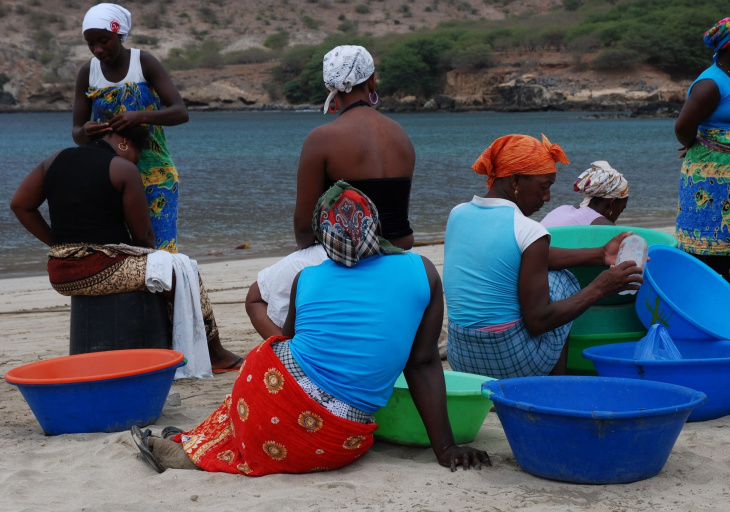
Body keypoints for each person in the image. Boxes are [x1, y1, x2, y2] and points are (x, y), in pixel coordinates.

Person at [131, 182, 490, 475]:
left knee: (265, 362)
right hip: (338, 442)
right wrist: (445, 447)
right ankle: (194, 441)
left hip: (270, 407)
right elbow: (423, 362)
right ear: (376, 225)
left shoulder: (308, 277)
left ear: (323, 237)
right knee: (274, 380)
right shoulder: (423, 271)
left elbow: (284, 346)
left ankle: (195, 446)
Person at [9, 126, 242, 375]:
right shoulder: (122, 168)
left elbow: (20, 205)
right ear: (125, 142)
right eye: (138, 155)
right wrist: (153, 259)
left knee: (164, 273)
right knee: (181, 271)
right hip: (97, 269)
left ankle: (176, 347)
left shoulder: (52, 160)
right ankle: (215, 353)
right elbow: (143, 236)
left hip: (59, 272)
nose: (137, 162)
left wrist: (57, 243)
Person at [245, 45, 416, 338]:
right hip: (399, 251)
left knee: (255, 297)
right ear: (372, 81)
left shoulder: (322, 138)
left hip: (345, 257)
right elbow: (397, 213)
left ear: (330, 87)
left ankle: (292, 357)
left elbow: (303, 230)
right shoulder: (400, 134)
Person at [443, 134, 643, 379]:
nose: (547, 197)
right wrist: (600, 288)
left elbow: (523, 256)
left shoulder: (458, 213)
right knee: (564, 280)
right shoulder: (528, 230)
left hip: (461, 358)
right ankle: (551, 385)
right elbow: (538, 321)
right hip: (510, 363)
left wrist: (600, 254)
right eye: (544, 187)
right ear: (516, 180)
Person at [72, 3, 188, 253]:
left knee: (161, 251)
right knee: (119, 250)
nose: (97, 49)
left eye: (104, 41)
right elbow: (76, 133)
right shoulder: (88, 73)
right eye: (91, 44)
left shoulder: (142, 62)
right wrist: (86, 131)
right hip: (109, 175)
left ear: (119, 34)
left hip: (156, 173)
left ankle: (163, 293)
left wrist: (140, 117)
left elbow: (180, 112)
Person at [674, 17, 730, 283]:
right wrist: (698, 145)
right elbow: (683, 127)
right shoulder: (710, 84)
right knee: (709, 248)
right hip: (711, 175)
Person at [540, 160, 629, 227]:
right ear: (612, 203)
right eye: (621, 209)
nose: (618, 215)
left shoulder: (561, 210)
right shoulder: (603, 226)